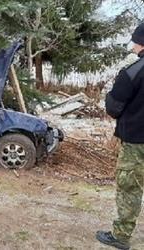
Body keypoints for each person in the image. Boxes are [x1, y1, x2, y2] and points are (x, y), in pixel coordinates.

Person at [96, 23, 144, 250]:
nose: (132, 45)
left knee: (130, 188)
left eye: (135, 41)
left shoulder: (133, 70)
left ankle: (122, 235)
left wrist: (112, 91)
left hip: (137, 141)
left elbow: (113, 107)